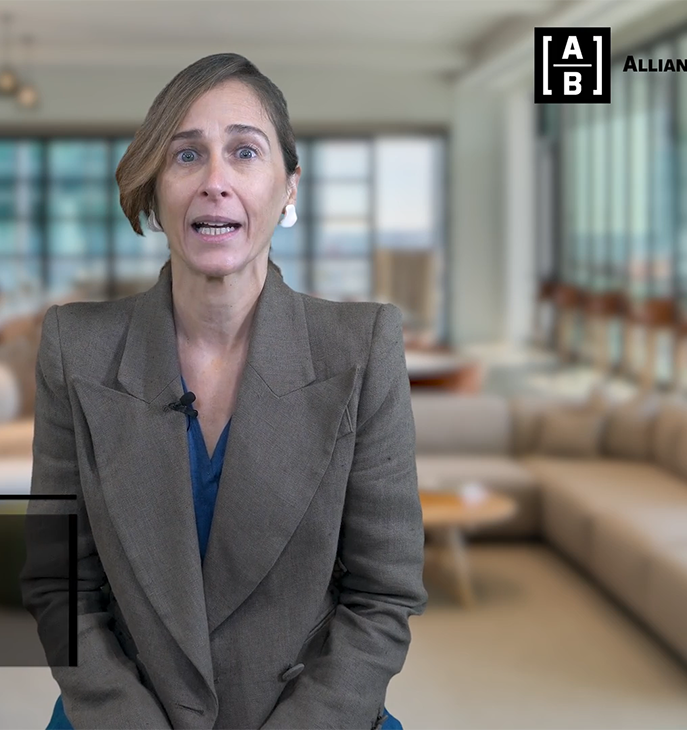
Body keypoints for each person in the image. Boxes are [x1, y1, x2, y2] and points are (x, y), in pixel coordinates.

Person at [22, 52, 428, 730]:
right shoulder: (74, 346)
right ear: (155, 189)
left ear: (289, 187)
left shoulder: (364, 346)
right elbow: (60, 584)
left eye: (244, 152)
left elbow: (383, 596)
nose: (215, 181)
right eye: (186, 156)